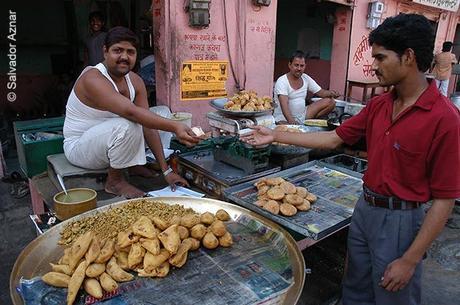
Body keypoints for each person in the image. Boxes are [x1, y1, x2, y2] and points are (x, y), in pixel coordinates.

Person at [242, 14, 460, 305]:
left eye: (381, 58)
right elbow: (333, 139)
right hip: (365, 209)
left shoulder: (445, 119)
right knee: (354, 291)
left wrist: (409, 259)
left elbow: (445, 200)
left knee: (392, 294)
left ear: (408, 57)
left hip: (401, 220)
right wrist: (275, 135)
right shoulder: (379, 105)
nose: (374, 66)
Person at [64, 26, 200, 198]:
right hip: (80, 148)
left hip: (108, 140)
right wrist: (175, 127)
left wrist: (166, 172)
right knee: (129, 124)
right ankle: (114, 182)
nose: (124, 57)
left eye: (130, 52)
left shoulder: (134, 81)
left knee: (161, 113)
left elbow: (148, 125)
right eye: (117, 51)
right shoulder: (93, 78)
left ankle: (132, 164)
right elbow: (131, 113)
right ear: (105, 51)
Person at [273, 50, 339, 124]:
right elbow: (284, 105)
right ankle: (299, 124)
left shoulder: (306, 78)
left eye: (302, 66)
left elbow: (321, 93)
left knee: (331, 102)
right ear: (289, 65)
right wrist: (292, 122)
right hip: (283, 117)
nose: (299, 68)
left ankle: (307, 123)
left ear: (305, 66)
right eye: (296, 65)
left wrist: (332, 93)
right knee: (285, 128)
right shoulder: (282, 81)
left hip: (302, 115)